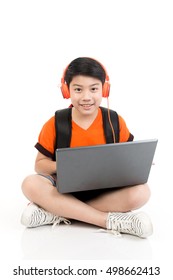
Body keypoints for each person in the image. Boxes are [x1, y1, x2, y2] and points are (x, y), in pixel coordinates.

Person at [21, 57, 153, 238]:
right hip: (63, 189)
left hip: (104, 192)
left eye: (93, 89)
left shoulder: (114, 121)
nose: (86, 97)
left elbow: (126, 159)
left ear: (104, 90)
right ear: (67, 90)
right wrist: (70, 165)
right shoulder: (55, 123)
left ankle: (55, 212)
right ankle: (108, 220)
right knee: (30, 183)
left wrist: (136, 164)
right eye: (78, 89)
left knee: (142, 192)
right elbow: (40, 165)